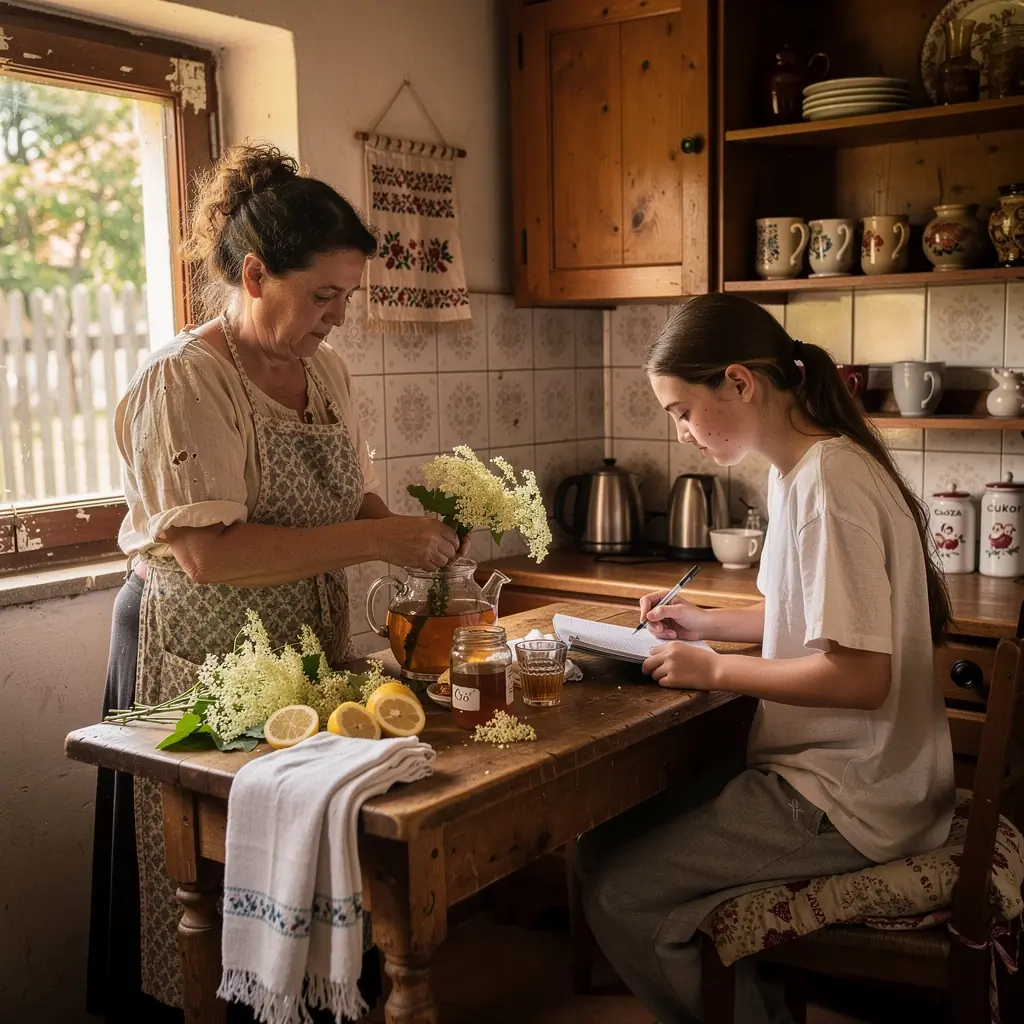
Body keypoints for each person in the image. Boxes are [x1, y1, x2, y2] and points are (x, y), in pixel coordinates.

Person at [88, 143, 464, 1022]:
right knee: (203, 882)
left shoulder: (320, 368)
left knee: (305, 856)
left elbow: (340, 495)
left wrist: (406, 533)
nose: (338, 317)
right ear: (254, 274)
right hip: (195, 665)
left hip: (300, 653)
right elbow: (210, 555)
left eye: (348, 297)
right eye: (323, 295)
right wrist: (373, 535)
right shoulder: (183, 379)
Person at [575, 293, 955, 1024]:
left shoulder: (828, 486)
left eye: (682, 411)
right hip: (846, 778)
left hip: (850, 799)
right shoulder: (801, 470)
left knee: (621, 894)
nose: (683, 433)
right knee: (599, 848)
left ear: (740, 382)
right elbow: (810, 622)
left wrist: (714, 668)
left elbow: (859, 675)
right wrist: (707, 623)